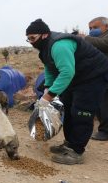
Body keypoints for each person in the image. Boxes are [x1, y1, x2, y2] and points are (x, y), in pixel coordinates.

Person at [25, 19, 108, 165]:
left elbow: (67, 72)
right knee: (68, 108)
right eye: (28, 38)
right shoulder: (45, 48)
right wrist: (48, 87)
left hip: (93, 76)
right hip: (77, 77)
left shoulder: (59, 45)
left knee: (81, 112)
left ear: (44, 35)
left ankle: (76, 151)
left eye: (33, 38)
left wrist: (49, 96)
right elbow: (50, 68)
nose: (30, 42)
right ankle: (69, 144)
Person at [78, 17, 108, 141]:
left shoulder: (102, 39)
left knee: (104, 104)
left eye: (95, 27)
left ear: (106, 26)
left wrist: (85, 38)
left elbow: (105, 45)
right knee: (100, 104)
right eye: (90, 28)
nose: (92, 30)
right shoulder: (97, 39)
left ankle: (105, 131)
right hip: (100, 76)